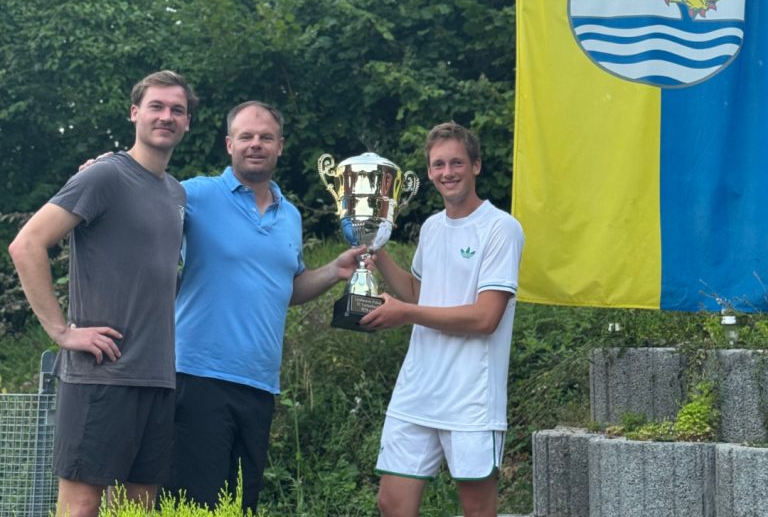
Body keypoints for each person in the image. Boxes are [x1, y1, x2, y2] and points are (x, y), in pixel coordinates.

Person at [8, 70, 197, 517]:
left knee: (136, 508)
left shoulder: (176, 194)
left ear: (188, 122)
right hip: (101, 375)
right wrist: (62, 331)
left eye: (177, 110)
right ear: (135, 113)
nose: (166, 116)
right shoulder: (105, 176)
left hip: (157, 376)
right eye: (156, 106)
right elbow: (27, 244)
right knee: (81, 507)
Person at [169, 100, 363, 512]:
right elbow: (139, 198)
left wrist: (335, 270)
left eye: (265, 137)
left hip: (259, 385)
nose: (255, 144)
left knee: (241, 504)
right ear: (229, 144)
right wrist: (105, 170)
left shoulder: (289, 215)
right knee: (193, 504)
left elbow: (285, 289)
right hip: (197, 375)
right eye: (246, 136)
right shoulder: (196, 194)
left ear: (280, 146)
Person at [360, 122, 524, 517]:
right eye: (438, 165)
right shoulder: (432, 228)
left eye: (456, 163)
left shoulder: (501, 228)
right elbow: (418, 293)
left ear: (476, 166)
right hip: (417, 389)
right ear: (429, 171)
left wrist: (405, 315)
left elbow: (487, 317)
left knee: (476, 512)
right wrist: (378, 253)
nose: (447, 173)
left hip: (471, 398)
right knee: (392, 504)